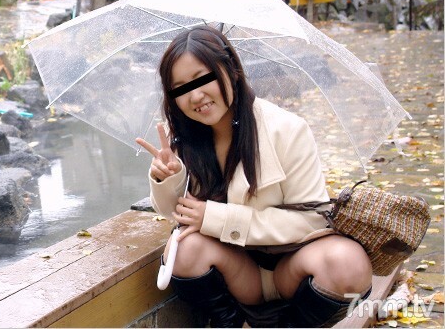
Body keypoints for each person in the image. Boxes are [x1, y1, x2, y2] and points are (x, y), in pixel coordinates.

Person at [135, 26, 372, 328]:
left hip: (292, 267)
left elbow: (312, 220)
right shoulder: (178, 137)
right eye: (180, 88)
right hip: (236, 271)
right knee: (184, 251)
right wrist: (169, 178)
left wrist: (217, 217)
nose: (196, 96)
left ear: (231, 69)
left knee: (348, 263)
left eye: (203, 78)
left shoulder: (287, 129)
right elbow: (175, 214)